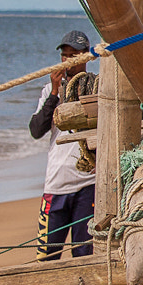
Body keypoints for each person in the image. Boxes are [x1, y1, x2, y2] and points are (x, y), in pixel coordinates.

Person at [29, 29, 97, 259]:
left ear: (86, 57)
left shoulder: (96, 88)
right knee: (46, 256)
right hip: (57, 184)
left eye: (73, 55)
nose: (67, 61)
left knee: (84, 254)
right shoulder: (50, 91)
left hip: (89, 184)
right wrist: (55, 93)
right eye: (64, 55)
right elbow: (36, 130)